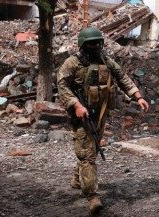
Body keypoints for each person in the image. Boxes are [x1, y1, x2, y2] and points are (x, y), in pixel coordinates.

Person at [57, 27, 149, 215]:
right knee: (87, 154)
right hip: (81, 114)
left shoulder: (105, 60)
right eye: (91, 43)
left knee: (89, 149)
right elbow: (62, 85)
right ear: (83, 44)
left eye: (98, 42)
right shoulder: (72, 63)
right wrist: (75, 104)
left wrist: (137, 96)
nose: (96, 46)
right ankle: (92, 195)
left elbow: (122, 77)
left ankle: (77, 178)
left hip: (100, 113)